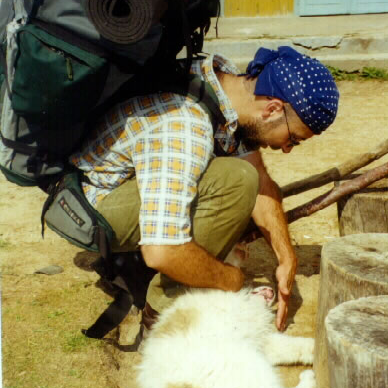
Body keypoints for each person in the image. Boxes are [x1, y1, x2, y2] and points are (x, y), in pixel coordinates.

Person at [70, 46, 339, 332]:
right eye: (293, 139)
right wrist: (231, 280)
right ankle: (161, 316)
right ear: (272, 109)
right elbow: (160, 251)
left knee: (243, 178)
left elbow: (260, 179)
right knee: (234, 182)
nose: (286, 149)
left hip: (123, 184)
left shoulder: (225, 85)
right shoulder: (187, 126)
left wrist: (286, 257)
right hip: (94, 209)